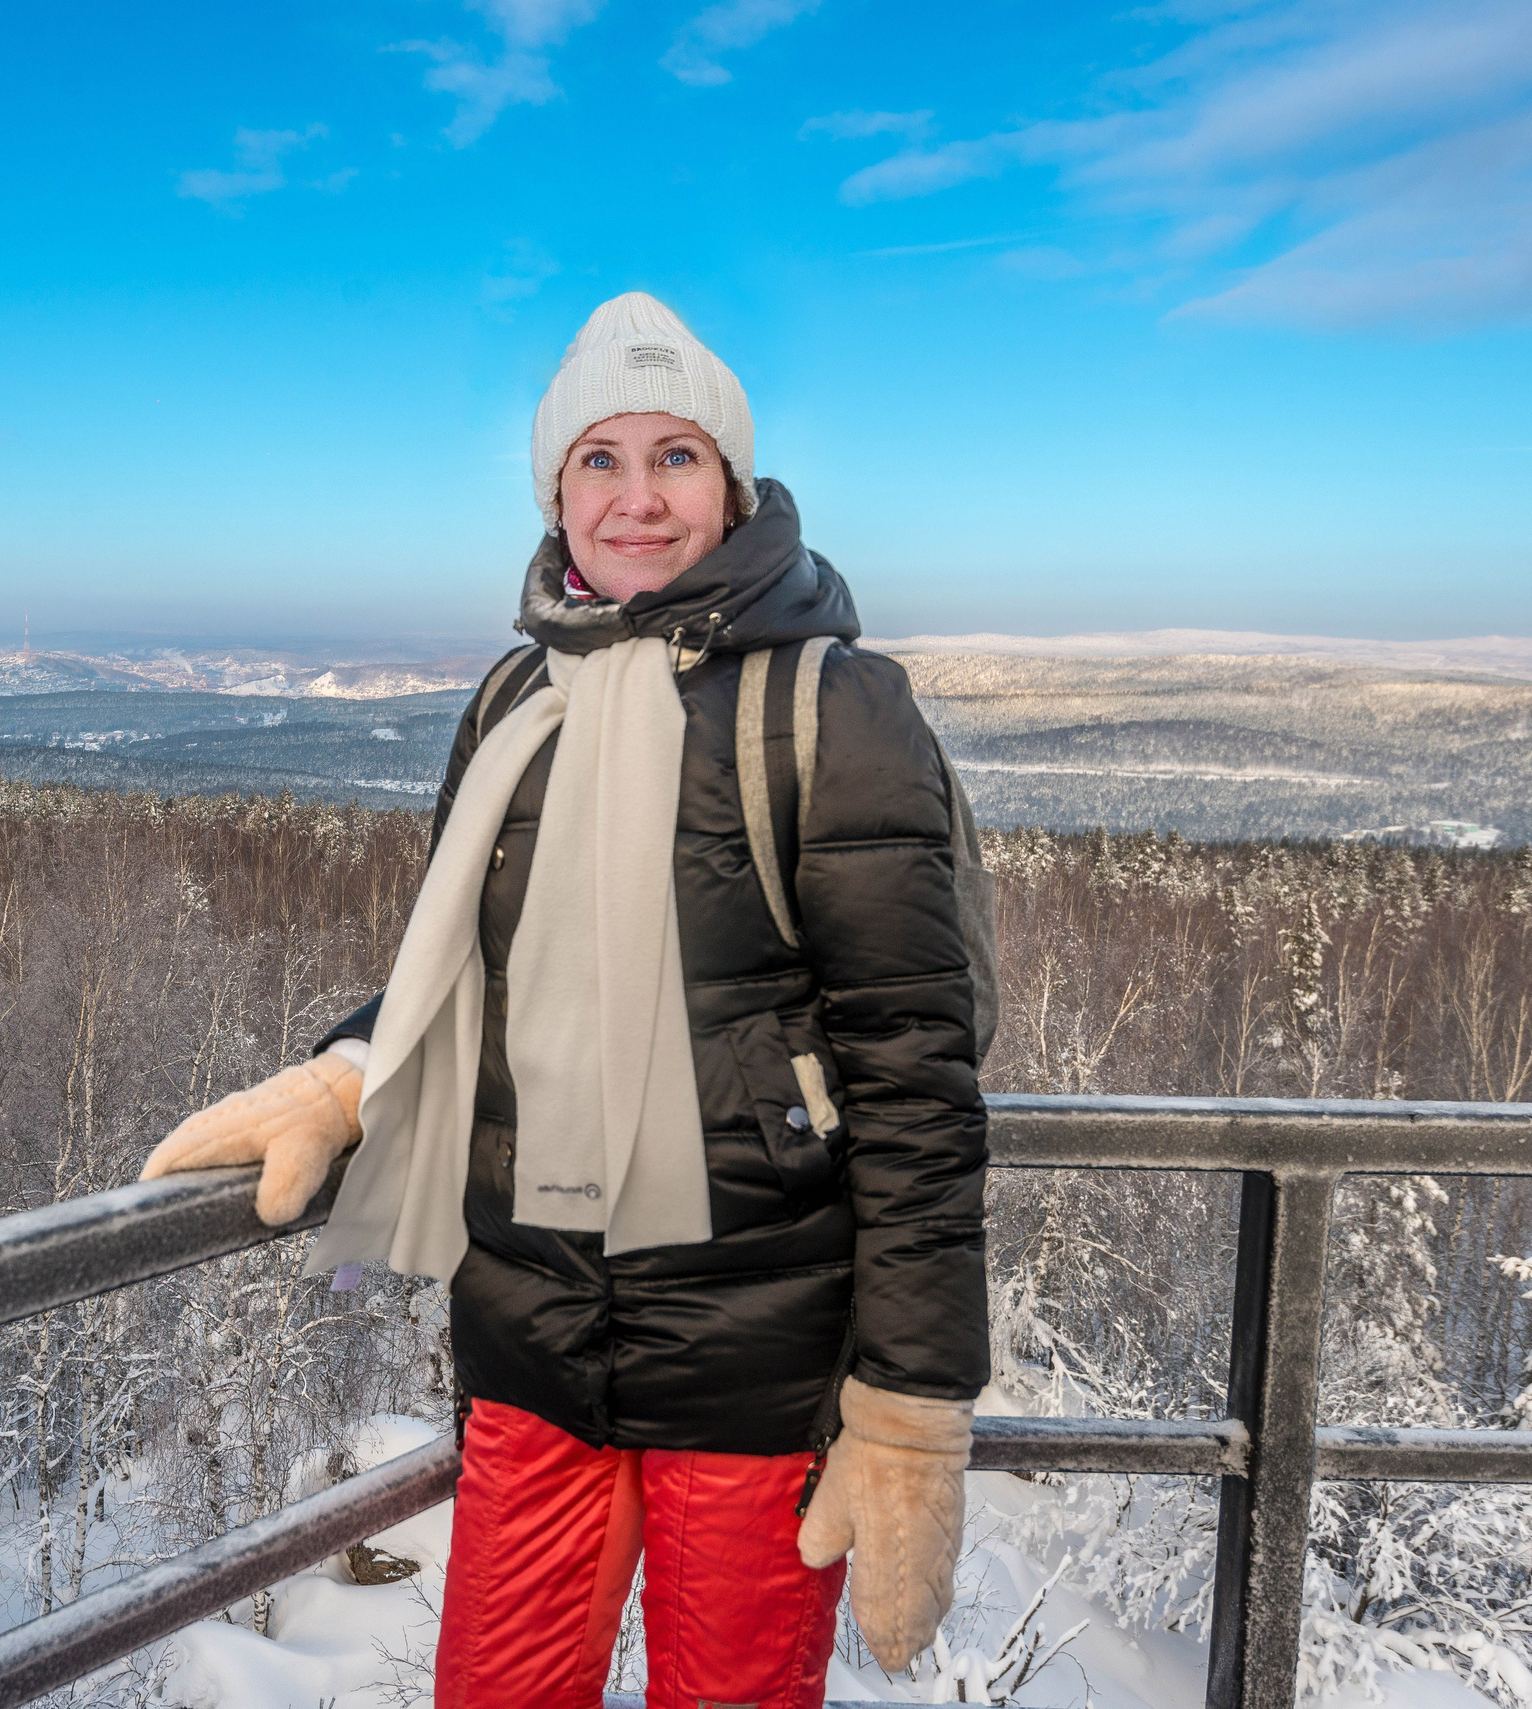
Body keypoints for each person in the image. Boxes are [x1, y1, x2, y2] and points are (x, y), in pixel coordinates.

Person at [141, 292, 988, 1709]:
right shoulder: (511, 702)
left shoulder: (835, 710)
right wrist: (346, 1072)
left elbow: (915, 1079)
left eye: (676, 456)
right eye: (601, 458)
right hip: (531, 1346)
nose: (638, 496)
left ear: (733, 482)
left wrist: (911, 1408)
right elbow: (461, 971)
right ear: (555, 490)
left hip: (756, 1364)